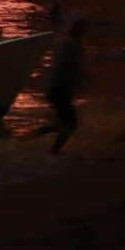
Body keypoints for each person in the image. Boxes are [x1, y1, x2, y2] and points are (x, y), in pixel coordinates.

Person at [35, 18, 88, 155]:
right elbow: (71, 68)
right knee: (71, 124)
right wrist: (80, 84)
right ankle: (54, 151)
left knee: (61, 123)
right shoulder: (73, 46)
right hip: (60, 90)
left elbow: (61, 67)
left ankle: (27, 138)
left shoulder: (64, 44)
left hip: (56, 89)